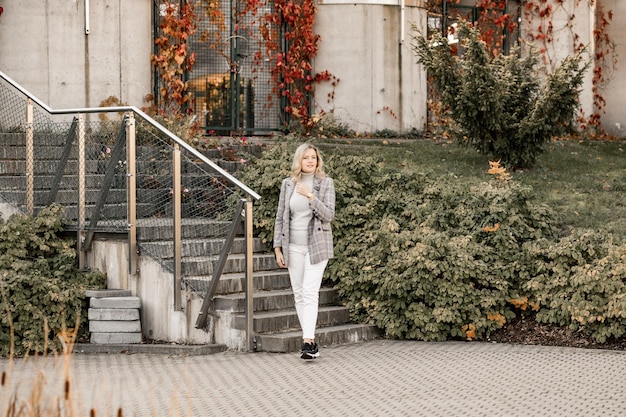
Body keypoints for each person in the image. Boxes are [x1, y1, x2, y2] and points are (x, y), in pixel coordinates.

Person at [273, 143, 335, 360]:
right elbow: (281, 216)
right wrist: (277, 247)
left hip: (316, 247)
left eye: (314, 158)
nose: (311, 161)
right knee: (299, 293)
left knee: (309, 291)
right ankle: (310, 341)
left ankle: (307, 342)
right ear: (299, 160)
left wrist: (310, 196)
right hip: (293, 247)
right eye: (306, 157)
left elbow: (328, 215)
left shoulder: (325, 183)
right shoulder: (288, 184)